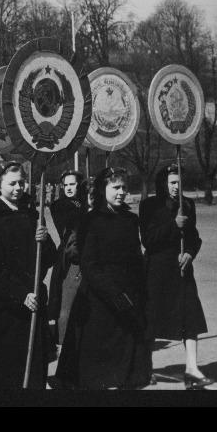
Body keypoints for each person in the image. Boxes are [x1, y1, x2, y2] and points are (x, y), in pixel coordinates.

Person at [0, 162, 56, 389]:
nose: (18, 188)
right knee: (4, 367)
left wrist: (44, 241)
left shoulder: (32, 215)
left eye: (21, 183)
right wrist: (20, 294)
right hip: (3, 303)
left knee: (32, 364)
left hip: (33, 298)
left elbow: (49, 258)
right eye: (12, 183)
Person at [60, 167, 151, 390]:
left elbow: (136, 259)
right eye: (115, 187)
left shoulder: (131, 219)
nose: (121, 192)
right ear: (103, 189)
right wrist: (115, 296)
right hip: (100, 301)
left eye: (124, 188)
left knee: (126, 369)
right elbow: (89, 265)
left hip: (129, 297)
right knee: (99, 370)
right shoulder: (91, 220)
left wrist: (139, 295)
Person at [140, 164, 213, 389]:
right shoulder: (148, 205)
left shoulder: (188, 204)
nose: (176, 186)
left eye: (179, 182)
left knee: (190, 316)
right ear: (163, 183)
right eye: (172, 182)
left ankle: (192, 369)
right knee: (151, 320)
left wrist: (190, 252)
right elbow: (148, 240)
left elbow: (194, 237)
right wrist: (173, 225)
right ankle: (146, 369)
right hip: (157, 271)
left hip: (182, 270)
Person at [48, 171, 88, 352]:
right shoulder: (60, 205)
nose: (69, 188)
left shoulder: (84, 203)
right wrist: (86, 208)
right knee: (67, 300)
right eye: (66, 185)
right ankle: (63, 341)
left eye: (73, 184)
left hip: (84, 253)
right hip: (71, 255)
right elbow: (69, 222)